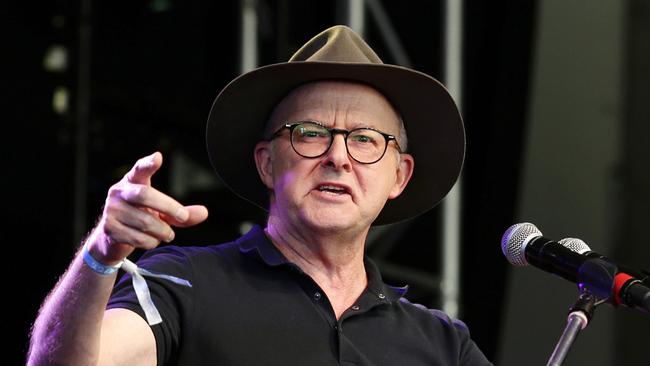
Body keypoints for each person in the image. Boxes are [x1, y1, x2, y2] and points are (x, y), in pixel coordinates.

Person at [27, 25, 492, 365]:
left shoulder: (441, 343)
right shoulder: (184, 283)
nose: (338, 156)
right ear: (268, 163)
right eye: (310, 133)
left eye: (366, 139)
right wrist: (101, 254)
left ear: (399, 176)